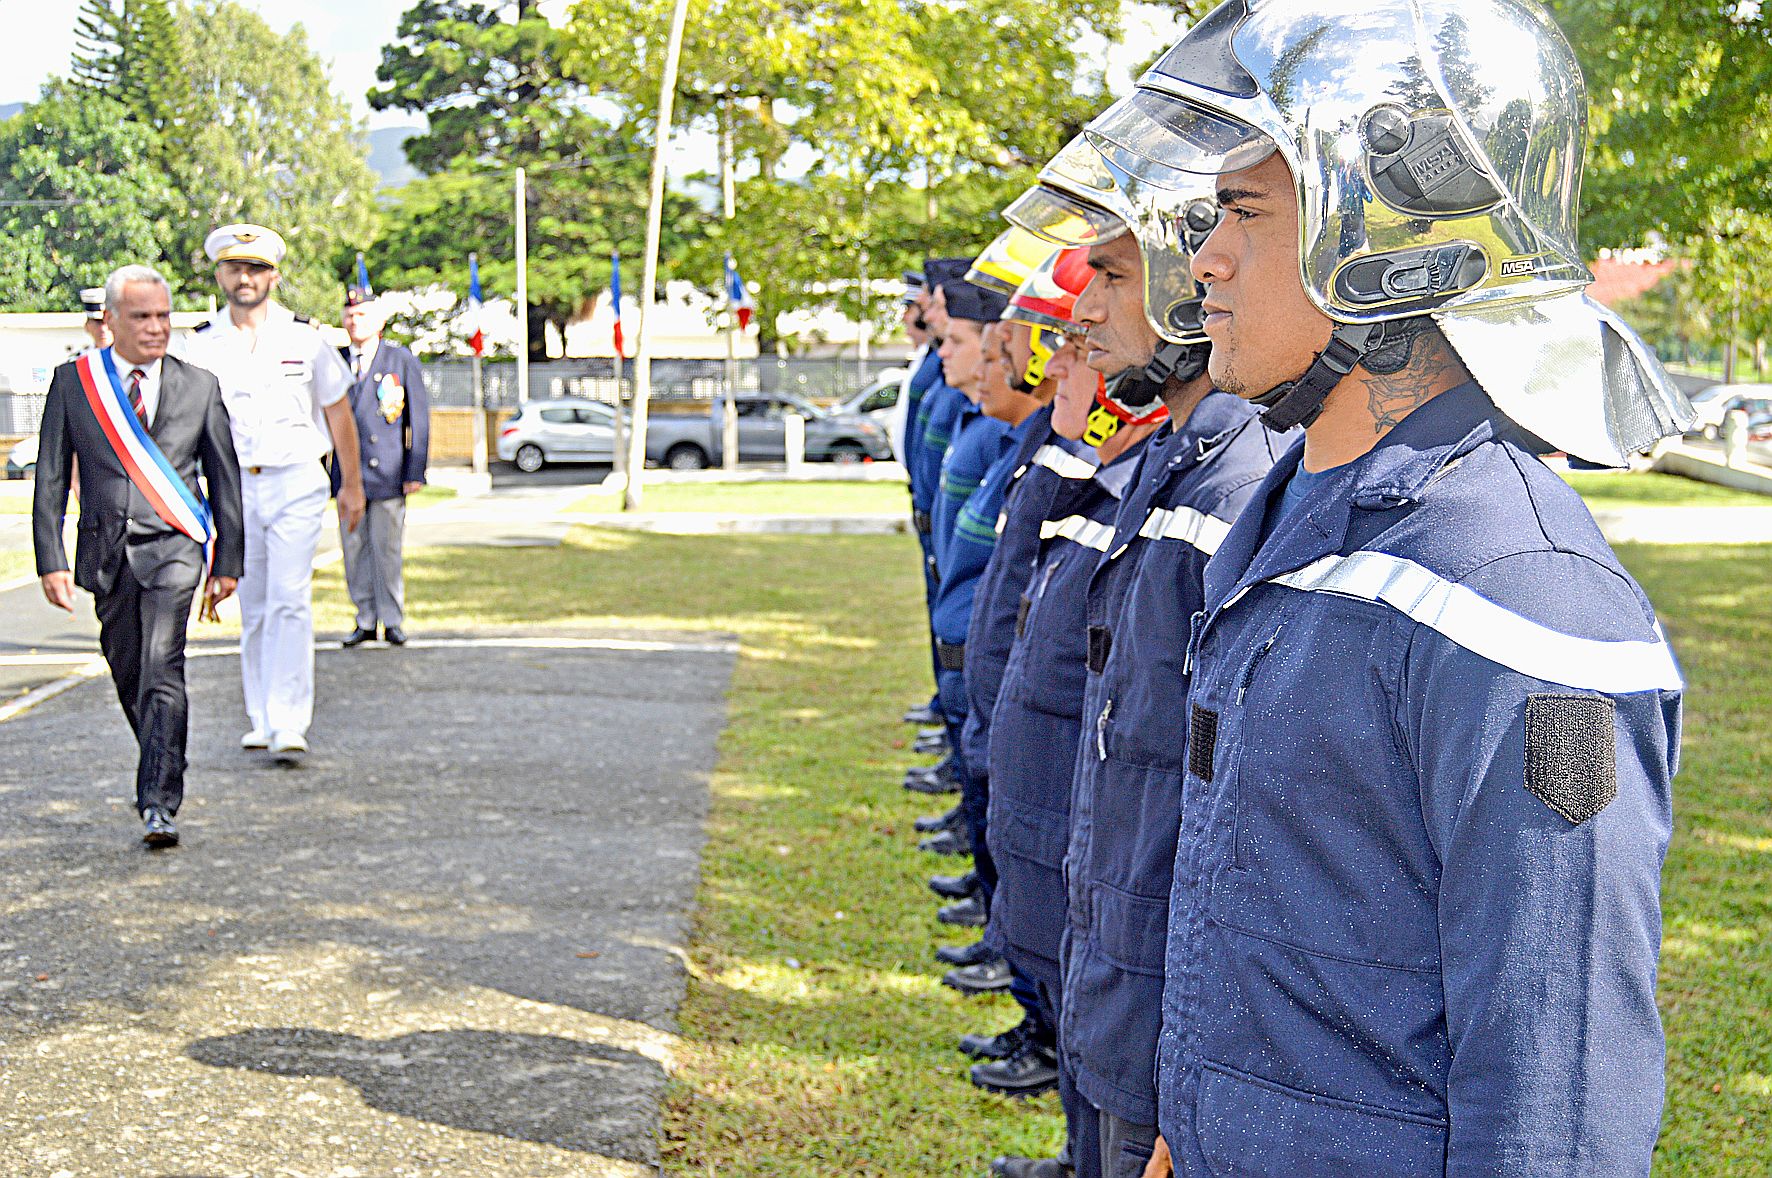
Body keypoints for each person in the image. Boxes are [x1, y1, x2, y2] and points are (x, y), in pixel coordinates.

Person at [1088, 2, 1690, 1172]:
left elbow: (1554, 1091)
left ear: (1386, 251)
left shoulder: (1522, 599)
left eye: (1246, 215)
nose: (1203, 257)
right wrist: (1193, 1123)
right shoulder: (1286, 527)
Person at [32, 264, 245, 848]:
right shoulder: (75, 383)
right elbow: (50, 476)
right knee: (128, 670)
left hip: (174, 548)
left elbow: (225, 480)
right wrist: (49, 558)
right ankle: (163, 758)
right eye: (142, 317)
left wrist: (227, 563)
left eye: (163, 316)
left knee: (161, 664)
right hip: (105, 552)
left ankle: (158, 800)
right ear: (110, 321)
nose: (156, 329)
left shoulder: (199, 385)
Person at [180, 224, 366, 760]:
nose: (245, 277)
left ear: (274, 277)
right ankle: (260, 716)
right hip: (232, 486)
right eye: (236, 268)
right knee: (254, 603)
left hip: (295, 479)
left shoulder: (305, 337)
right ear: (219, 274)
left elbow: (338, 413)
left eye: (256, 268)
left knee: (290, 598)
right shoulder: (200, 344)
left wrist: (351, 485)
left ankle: (289, 721)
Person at [334, 287, 430, 648]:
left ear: (379, 321)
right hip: (348, 474)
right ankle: (365, 617)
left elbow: (416, 419)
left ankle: (391, 619)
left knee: (386, 549)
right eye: (349, 315)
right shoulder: (336, 359)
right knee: (354, 549)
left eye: (361, 315)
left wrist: (414, 470)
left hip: (388, 473)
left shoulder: (398, 359)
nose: (354, 321)